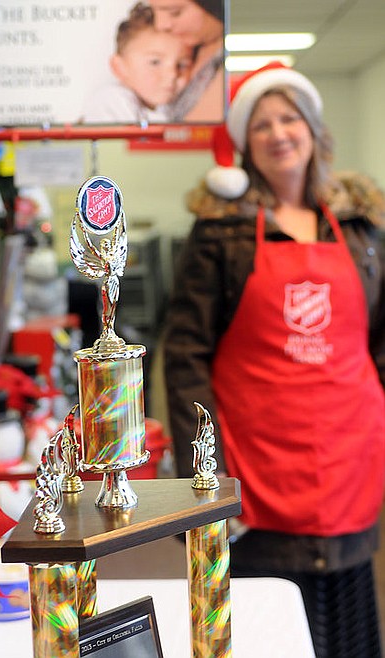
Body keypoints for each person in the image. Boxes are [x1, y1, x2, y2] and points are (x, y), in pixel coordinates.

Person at [163, 61, 385, 657]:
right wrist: (206, 475)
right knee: (269, 625)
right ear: (244, 145)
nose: (278, 134)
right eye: (261, 124)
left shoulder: (361, 231)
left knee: (346, 630)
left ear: (313, 129)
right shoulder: (221, 233)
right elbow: (185, 359)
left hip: (350, 457)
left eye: (290, 119)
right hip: (258, 467)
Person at [83, 2, 193, 124]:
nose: (172, 75)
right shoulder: (112, 100)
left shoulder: (175, 105)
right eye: (155, 62)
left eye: (182, 65)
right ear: (120, 67)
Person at [148, 0, 224, 122]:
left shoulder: (226, 61)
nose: (160, 25)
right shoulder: (185, 46)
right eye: (153, 12)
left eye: (175, 13)